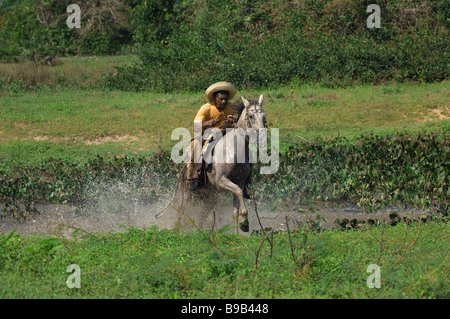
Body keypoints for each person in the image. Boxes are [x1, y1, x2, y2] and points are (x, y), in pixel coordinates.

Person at [186, 81, 251, 198]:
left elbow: (239, 120)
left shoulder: (231, 107)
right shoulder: (206, 109)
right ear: (215, 98)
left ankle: (245, 182)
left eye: (225, 99)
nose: (223, 102)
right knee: (200, 149)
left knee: (248, 152)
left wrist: (233, 120)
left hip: (227, 133)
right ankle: (195, 178)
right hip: (208, 134)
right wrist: (207, 123)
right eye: (221, 99)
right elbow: (195, 127)